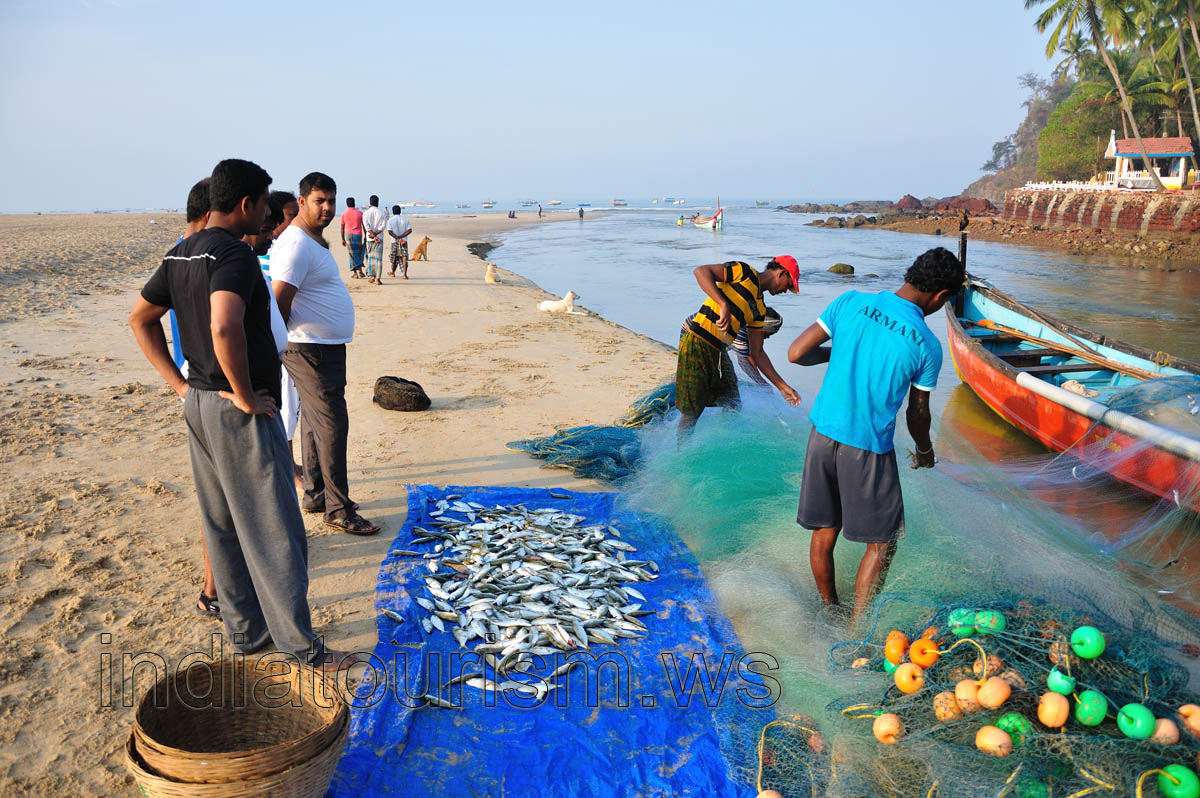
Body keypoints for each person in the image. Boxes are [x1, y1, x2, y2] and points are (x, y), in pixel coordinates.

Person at [129, 158, 356, 670]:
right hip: (237, 408)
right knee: (276, 528)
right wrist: (245, 394)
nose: (270, 217)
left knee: (223, 523)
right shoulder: (229, 253)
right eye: (265, 204)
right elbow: (224, 326)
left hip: (201, 407)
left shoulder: (181, 253)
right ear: (246, 204)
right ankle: (302, 647)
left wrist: (181, 385)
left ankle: (247, 635)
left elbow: (140, 320)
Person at [787, 247, 964, 627]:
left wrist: (842, 353)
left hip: (821, 434)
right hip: (866, 447)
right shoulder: (926, 345)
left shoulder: (850, 301)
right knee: (881, 544)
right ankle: (856, 630)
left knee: (825, 530)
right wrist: (925, 449)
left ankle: (828, 609)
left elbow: (797, 353)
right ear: (941, 297)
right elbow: (918, 414)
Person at [271, 172, 380, 536]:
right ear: (301, 202)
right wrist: (277, 348)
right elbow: (280, 301)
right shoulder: (297, 244)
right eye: (319, 201)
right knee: (333, 423)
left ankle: (317, 494)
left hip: (322, 347)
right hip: (309, 348)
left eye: (331, 200)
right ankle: (339, 508)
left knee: (316, 423)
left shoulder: (311, 241)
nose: (327, 208)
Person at [676, 257, 802, 439]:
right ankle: (681, 454)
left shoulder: (759, 308)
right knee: (692, 411)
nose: (786, 291)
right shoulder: (744, 272)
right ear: (782, 273)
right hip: (698, 341)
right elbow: (701, 271)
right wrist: (723, 303)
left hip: (719, 352)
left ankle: (724, 441)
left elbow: (757, 353)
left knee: (732, 401)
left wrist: (782, 387)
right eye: (788, 284)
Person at [247, 195, 304, 490]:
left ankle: (290, 463)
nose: (291, 222)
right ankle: (288, 467)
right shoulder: (261, 253)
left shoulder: (287, 247)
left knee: (292, 408)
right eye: (287, 216)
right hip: (273, 347)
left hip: (287, 341)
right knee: (283, 409)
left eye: (295, 215)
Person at [681, 307, 784, 386]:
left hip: (712, 342)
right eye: (766, 335)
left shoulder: (751, 325)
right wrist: (761, 383)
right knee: (717, 381)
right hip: (694, 335)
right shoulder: (743, 328)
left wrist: (761, 381)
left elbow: (750, 355)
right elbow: (743, 361)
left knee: (728, 384)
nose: (767, 338)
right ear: (761, 329)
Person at [362, 194, 387, 285]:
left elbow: (366, 227)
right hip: (379, 238)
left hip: (370, 238)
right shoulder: (381, 213)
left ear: (370, 202)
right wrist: (376, 234)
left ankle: (372, 277)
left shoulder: (366, 213)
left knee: (371, 258)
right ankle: (377, 279)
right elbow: (383, 226)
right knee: (379, 259)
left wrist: (372, 234)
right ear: (378, 202)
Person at [340, 197, 365, 278]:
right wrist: (366, 235)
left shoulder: (344, 214)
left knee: (351, 253)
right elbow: (364, 225)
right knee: (358, 252)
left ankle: (355, 273)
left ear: (347, 204)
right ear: (354, 203)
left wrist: (342, 238)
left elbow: (342, 227)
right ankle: (360, 269)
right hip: (358, 234)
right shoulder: (360, 213)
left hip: (348, 235)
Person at [387, 205, 412, 278]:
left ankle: (393, 272)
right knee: (404, 257)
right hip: (403, 241)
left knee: (394, 257)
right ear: (400, 211)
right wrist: (401, 237)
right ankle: (404, 274)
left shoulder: (390, 220)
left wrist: (397, 237)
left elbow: (389, 231)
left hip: (394, 241)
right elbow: (409, 230)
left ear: (393, 211)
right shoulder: (405, 220)